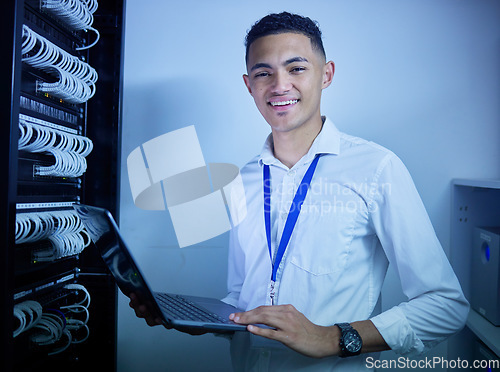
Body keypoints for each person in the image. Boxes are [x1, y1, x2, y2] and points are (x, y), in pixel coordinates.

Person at [130, 11, 469, 370]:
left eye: (296, 68)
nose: (279, 85)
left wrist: (333, 337)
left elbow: (445, 305)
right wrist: (198, 319)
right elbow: (243, 297)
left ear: (326, 75)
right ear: (249, 85)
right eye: (264, 73)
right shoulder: (244, 179)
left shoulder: (376, 168)